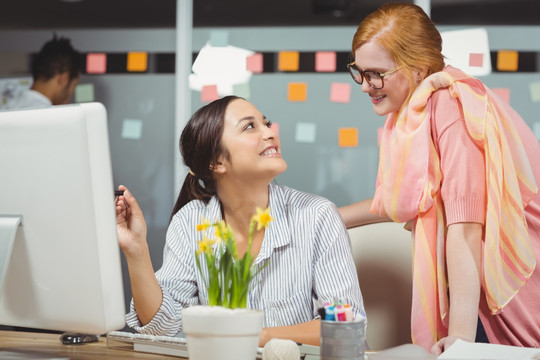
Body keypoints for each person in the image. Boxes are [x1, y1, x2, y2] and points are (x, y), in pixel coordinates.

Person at [339, 2, 540, 355]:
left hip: (509, 289)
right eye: (359, 71)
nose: (365, 86)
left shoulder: (452, 105)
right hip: (479, 280)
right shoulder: (418, 112)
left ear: (418, 68)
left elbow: (466, 224)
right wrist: (327, 217)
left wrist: (461, 338)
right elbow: (408, 200)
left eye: (376, 74)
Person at [115, 95, 366, 346]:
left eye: (266, 123)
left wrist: (259, 337)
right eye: (249, 126)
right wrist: (137, 250)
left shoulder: (317, 216)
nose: (270, 133)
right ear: (216, 162)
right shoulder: (191, 222)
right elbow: (163, 328)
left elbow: (347, 327)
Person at [3, 34, 81, 109]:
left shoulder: (11, 105)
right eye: (73, 86)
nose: (71, 93)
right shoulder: (48, 116)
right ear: (64, 79)